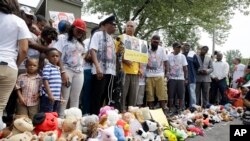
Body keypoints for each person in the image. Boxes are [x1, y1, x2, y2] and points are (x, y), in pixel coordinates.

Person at [0, 0, 30, 129]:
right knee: (0, 105)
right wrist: (16, 63)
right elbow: (24, 49)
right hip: (8, 65)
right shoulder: (18, 21)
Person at [54, 18, 86, 117]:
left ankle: (73, 120)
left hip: (79, 72)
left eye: (82, 31)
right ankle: (61, 119)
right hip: (67, 70)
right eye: (78, 30)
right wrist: (62, 72)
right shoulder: (62, 38)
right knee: (64, 97)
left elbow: (82, 55)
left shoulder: (80, 42)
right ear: (72, 28)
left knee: (75, 98)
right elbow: (57, 55)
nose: (80, 33)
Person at [89, 15, 117, 115]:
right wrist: (97, 67)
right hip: (100, 71)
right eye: (113, 25)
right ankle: (94, 117)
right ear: (106, 25)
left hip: (111, 72)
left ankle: (102, 118)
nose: (115, 27)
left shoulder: (112, 39)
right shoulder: (98, 35)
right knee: (97, 96)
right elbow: (93, 50)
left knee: (107, 96)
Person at [118, 21, 141, 112]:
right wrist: (124, 59)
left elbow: (140, 56)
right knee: (123, 94)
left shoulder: (138, 41)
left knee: (133, 96)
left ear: (134, 28)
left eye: (132, 26)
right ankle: (121, 112)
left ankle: (131, 114)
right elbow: (116, 53)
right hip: (124, 71)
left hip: (135, 72)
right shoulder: (120, 38)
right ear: (125, 28)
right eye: (128, 26)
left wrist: (140, 68)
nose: (129, 27)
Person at [145, 35, 169, 113]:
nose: (155, 43)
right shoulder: (146, 49)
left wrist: (167, 72)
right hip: (148, 75)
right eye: (154, 41)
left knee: (162, 93)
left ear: (159, 42)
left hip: (160, 75)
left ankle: (164, 111)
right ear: (151, 40)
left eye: (157, 42)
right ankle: (151, 111)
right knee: (150, 94)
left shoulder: (162, 49)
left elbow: (166, 61)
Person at [81, 26, 100, 114]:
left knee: (96, 94)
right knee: (87, 93)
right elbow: (86, 57)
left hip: (98, 72)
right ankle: (86, 113)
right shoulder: (87, 42)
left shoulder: (102, 43)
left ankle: (94, 113)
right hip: (87, 70)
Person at [168, 42, 188, 114]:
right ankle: (170, 109)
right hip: (171, 78)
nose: (179, 49)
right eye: (177, 47)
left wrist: (186, 78)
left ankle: (180, 109)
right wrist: (167, 75)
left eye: (180, 47)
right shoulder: (169, 56)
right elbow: (167, 66)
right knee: (171, 94)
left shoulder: (182, 56)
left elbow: (185, 68)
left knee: (181, 94)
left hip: (180, 78)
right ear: (173, 48)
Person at [40, 48, 62, 112]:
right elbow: (45, 81)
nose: (55, 57)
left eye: (57, 56)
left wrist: (61, 96)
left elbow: (58, 84)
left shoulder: (57, 68)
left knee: (54, 114)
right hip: (48, 97)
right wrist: (49, 94)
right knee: (47, 114)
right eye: (52, 56)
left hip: (56, 97)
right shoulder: (47, 67)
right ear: (48, 58)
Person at [182, 43, 200, 108]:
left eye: (188, 46)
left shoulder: (193, 55)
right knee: (182, 93)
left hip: (191, 77)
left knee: (192, 93)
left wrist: (193, 72)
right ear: (183, 47)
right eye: (185, 46)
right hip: (181, 77)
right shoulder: (181, 55)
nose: (186, 47)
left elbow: (197, 66)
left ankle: (193, 107)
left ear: (190, 47)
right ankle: (182, 107)